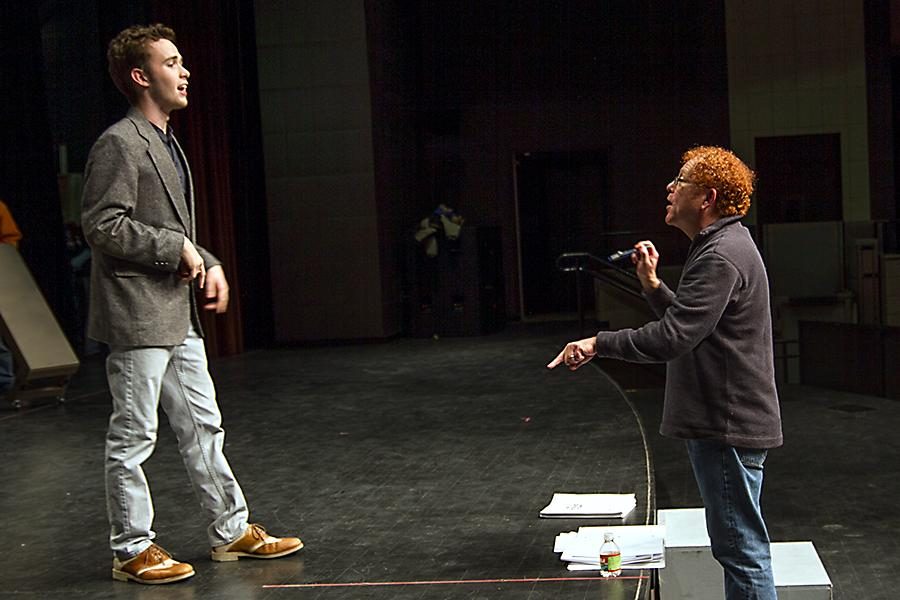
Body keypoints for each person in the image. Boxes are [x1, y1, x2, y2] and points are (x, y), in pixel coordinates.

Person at [82, 24, 302, 585]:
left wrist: (208, 258)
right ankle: (131, 548)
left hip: (175, 313)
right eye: (172, 62)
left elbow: (169, 228)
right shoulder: (121, 141)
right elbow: (102, 224)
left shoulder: (166, 141)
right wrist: (175, 247)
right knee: (134, 435)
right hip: (137, 314)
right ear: (141, 77)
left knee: (205, 427)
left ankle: (230, 531)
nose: (184, 72)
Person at [548, 146, 782, 600]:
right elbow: (696, 328)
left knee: (741, 551)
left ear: (707, 198)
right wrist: (653, 286)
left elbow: (673, 338)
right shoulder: (721, 247)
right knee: (738, 548)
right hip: (725, 421)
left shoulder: (720, 255)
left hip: (727, 425)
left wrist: (600, 342)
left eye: (681, 182)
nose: (669, 189)